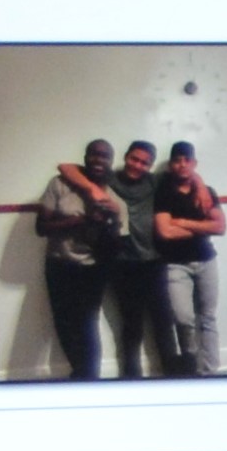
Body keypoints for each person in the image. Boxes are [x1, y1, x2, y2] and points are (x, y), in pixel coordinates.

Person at [27, 138, 127, 379]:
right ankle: (80, 373)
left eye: (104, 156)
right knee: (63, 325)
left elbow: (114, 248)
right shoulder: (59, 185)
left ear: (111, 162)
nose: (98, 160)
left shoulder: (115, 200)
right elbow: (41, 228)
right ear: (85, 157)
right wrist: (79, 221)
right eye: (94, 154)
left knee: (86, 325)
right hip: (58, 264)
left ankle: (88, 377)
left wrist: (110, 223)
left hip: (92, 269)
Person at [145, 138, 225, 377]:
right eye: (177, 161)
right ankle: (191, 366)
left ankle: (210, 371)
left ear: (194, 163)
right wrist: (203, 226)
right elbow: (165, 232)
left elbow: (220, 227)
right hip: (175, 265)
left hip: (207, 261)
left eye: (186, 160)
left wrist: (183, 222)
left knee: (208, 317)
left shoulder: (207, 192)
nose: (182, 165)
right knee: (183, 318)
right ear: (171, 165)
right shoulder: (163, 193)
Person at [98, 139, 169, 381]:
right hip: (122, 264)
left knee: (163, 322)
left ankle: (175, 378)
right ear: (126, 156)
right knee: (131, 326)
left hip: (155, 263)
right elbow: (67, 168)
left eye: (145, 163)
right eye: (134, 159)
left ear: (150, 166)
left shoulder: (155, 181)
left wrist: (200, 185)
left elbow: (189, 176)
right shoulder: (109, 179)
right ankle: (131, 379)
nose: (138, 165)